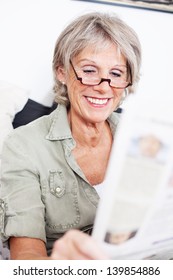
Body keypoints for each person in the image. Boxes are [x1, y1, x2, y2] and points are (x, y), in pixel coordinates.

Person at [0, 12, 141, 259]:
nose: (104, 86)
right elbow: (26, 258)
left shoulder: (145, 140)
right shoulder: (22, 147)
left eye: (116, 74)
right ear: (62, 72)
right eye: (89, 70)